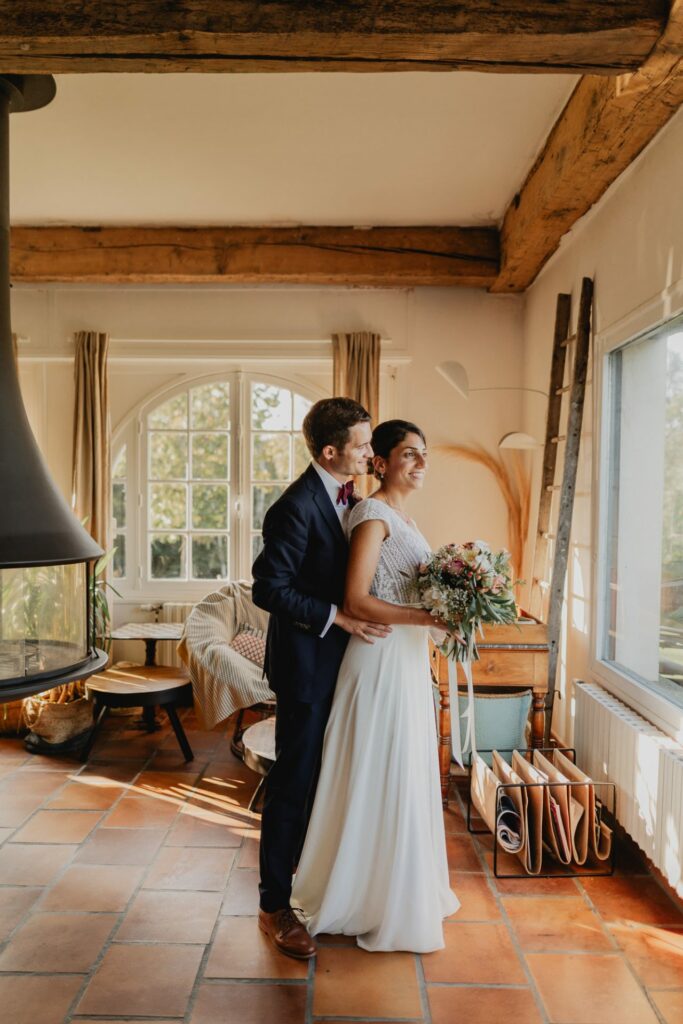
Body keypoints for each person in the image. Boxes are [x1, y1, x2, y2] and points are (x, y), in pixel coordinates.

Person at [291, 419, 460, 952]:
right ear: (380, 462)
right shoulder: (371, 515)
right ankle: (364, 896)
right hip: (379, 661)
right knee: (382, 770)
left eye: (424, 453)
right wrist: (426, 616)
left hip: (406, 662)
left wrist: (449, 612)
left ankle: (402, 891)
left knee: (407, 771)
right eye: (408, 452)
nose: (420, 462)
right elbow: (358, 600)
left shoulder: (405, 518)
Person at [252, 397, 391, 960]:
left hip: (349, 666)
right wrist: (340, 618)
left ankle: (323, 888)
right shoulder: (294, 506)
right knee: (295, 783)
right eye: (361, 445)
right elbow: (269, 588)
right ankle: (273, 907)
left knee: (334, 779)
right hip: (307, 668)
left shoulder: (351, 498)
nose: (369, 451)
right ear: (331, 451)